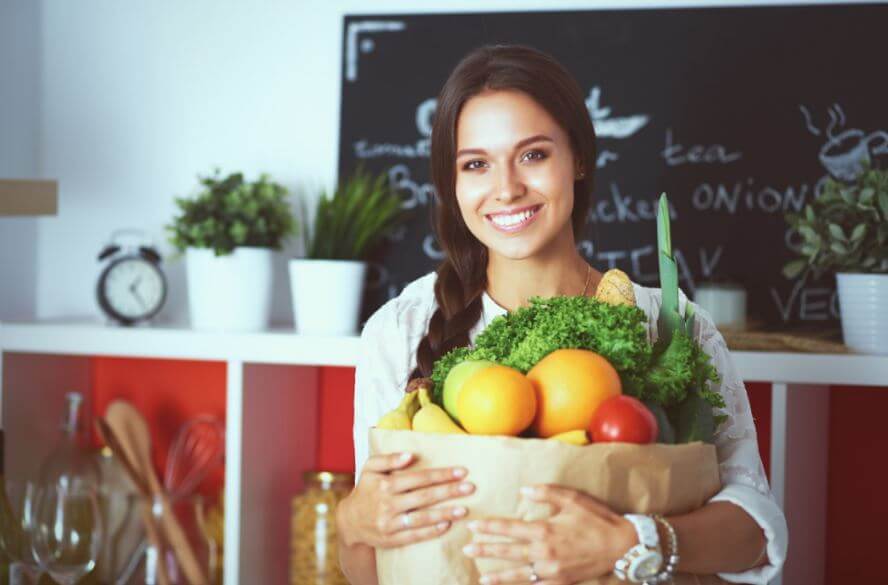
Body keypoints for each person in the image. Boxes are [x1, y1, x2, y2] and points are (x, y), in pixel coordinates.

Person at [335, 44, 787, 585]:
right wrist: (352, 521)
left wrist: (633, 542)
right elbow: (371, 570)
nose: (506, 188)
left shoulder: (668, 323)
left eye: (533, 155)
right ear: (452, 185)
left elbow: (755, 531)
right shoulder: (400, 329)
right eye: (476, 164)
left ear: (579, 158)